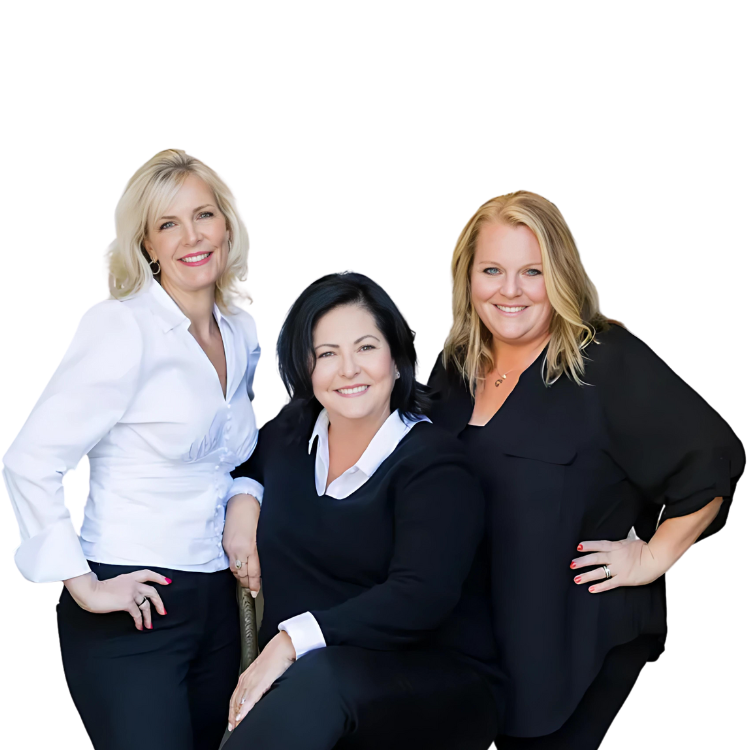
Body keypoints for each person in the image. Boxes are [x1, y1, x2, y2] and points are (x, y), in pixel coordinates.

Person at [425, 190, 745, 748]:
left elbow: (710, 456)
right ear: (465, 278)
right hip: (474, 649)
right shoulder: (456, 367)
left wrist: (652, 555)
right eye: (492, 270)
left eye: (533, 271)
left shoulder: (605, 360)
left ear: (563, 275)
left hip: (573, 650)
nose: (510, 290)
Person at [2, 148, 263, 750]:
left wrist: (246, 497)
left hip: (218, 602)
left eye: (204, 215)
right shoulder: (120, 326)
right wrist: (82, 583)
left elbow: (237, 449)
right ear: (146, 244)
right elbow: (29, 460)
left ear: (227, 224)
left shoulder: (238, 328)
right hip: (132, 600)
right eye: (168, 224)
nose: (191, 237)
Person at [218, 270, 506, 750]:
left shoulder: (435, 465)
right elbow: (249, 462)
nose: (348, 369)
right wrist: (243, 502)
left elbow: (420, 597)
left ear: (395, 360)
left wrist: (292, 641)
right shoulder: (291, 435)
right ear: (305, 368)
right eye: (327, 354)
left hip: (435, 678)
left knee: (320, 679)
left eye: (366, 348)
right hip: (315, 690)